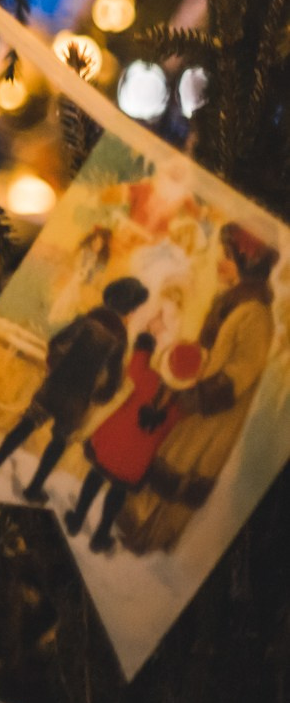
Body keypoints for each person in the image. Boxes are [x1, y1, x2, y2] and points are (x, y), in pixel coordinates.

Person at [116, 221, 281, 555]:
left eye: (229, 256)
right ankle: (133, 530)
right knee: (168, 462)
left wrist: (199, 393)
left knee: (183, 474)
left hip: (215, 416)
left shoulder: (255, 314)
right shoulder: (232, 301)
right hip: (196, 406)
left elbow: (241, 371)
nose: (221, 262)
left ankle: (154, 540)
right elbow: (211, 352)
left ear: (249, 262)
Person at [0, 275, 148, 501]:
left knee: (27, 423)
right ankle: (33, 489)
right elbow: (113, 380)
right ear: (129, 308)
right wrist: (99, 395)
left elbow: (56, 343)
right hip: (78, 398)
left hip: (57, 383)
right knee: (58, 443)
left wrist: (56, 367)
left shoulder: (87, 319)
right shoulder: (120, 338)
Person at [67, 336, 202, 552]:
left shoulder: (144, 377)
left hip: (110, 444)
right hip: (134, 463)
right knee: (117, 494)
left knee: (94, 478)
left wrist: (147, 340)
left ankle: (76, 518)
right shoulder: (177, 411)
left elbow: (138, 357)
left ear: (166, 362)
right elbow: (187, 409)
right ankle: (101, 535)